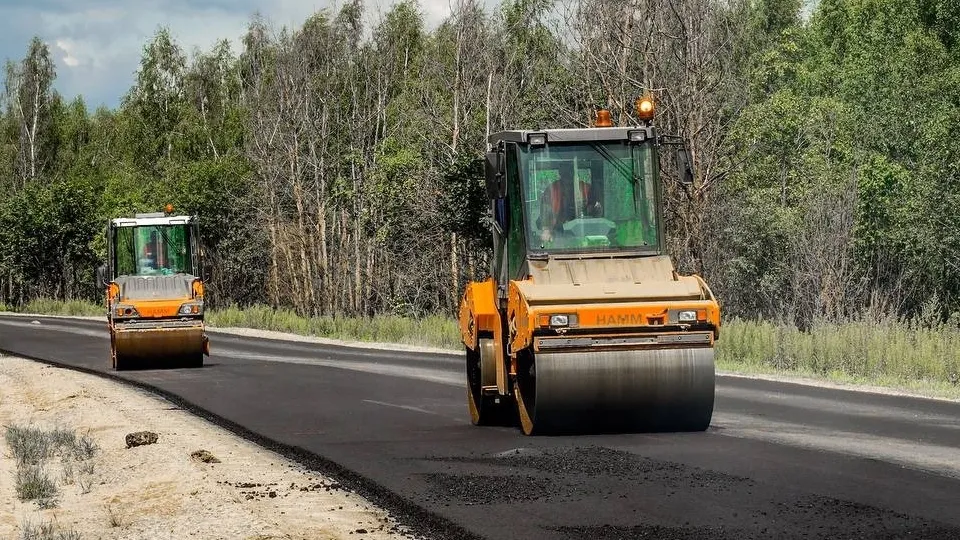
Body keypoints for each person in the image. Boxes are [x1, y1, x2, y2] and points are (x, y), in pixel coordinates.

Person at [538, 167, 602, 242]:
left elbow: (596, 210)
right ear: (560, 171)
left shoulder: (586, 188)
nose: (567, 173)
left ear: (575, 171)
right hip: (559, 233)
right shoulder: (551, 190)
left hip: (584, 232)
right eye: (565, 169)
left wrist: (595, 210)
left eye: (570, 169)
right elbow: (545, 211)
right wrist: (546, 230)